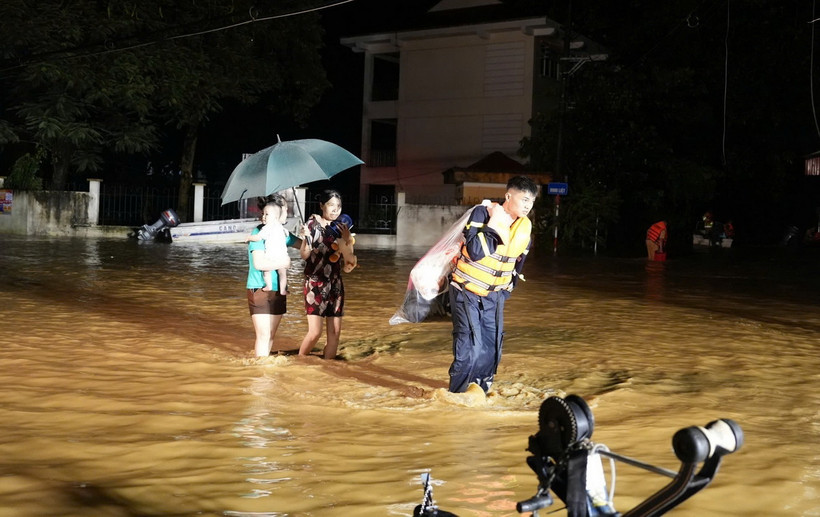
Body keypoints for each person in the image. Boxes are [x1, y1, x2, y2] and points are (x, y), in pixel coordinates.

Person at [447, 176, 538, 393]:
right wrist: (496, 225)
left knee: (491, 347)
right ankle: (456, 396)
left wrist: (503, 292)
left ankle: (480, 394)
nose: (528, 205)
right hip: (466, 290)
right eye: (524, 199)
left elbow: (517, 266)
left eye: (531, 201)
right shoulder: (483, 214)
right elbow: (476, 252)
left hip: (494, 296)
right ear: (508, 196)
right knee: (470, 345)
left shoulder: (524, 228)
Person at [297, 190, 357, 359]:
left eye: (338, 206)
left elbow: (349, 260)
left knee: (335, 333)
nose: (335, 210)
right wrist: (305, 239)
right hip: (315, 283)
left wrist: (346, 239)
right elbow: (304, 255)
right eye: (331, 205)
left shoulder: (342, 228)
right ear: (322, 205)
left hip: (335, 285)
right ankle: (299, 361)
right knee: (315, 332)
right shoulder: (311, 225)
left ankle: (328, 368)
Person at [246, 195, 300, 357]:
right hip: (259, 288)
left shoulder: (282, 233)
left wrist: (308, 236)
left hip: (279, 290)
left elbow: (306, 249)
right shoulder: (260, 232)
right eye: (284, 208)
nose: (287, 211)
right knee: (263, 336)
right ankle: (260, 375)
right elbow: (259, 264)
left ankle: (265, 374)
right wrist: (284, 263)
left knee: (270, 336)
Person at [245, 203, 289, 295]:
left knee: (266, 271)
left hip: (271, 255)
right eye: (263, 214)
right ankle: (283, 290)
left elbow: (258, 237)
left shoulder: (267, 228)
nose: (264, 216)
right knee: (283, 274)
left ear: (276, 217)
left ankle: (269, 286)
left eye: (267, 214)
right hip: (282, 256)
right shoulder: (281, 227)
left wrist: (249, 238)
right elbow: (287, 234)